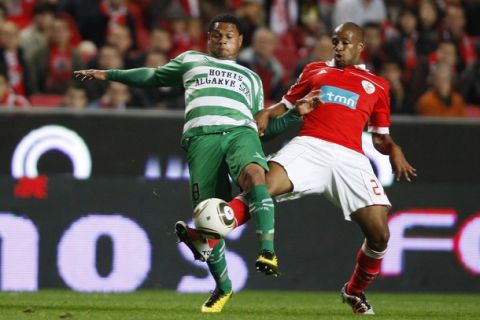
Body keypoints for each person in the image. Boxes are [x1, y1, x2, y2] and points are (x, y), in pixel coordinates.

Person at [179, 22, 417, 315]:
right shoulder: (315, 70)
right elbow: (285, 105)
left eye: (345, 43)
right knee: (261, 185)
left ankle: (354, 291)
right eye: (335, 42)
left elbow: (380, 136)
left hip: (350, 158)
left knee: (380, 235)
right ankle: (207, 236)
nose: (339, 47)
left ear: (359, 47)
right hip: (310, 146)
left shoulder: (378, 86)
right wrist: (266, 113)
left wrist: (394, 149)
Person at [74, 14, 300, 313]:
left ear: (240, 40)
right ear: (209, 38)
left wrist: (295, 115)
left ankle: (267, 250)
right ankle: (223, 286)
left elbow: (262, 128)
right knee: (207, 219)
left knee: (256, 174)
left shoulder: (251, 78)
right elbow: (152, 77)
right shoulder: (191, 60)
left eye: (229, 36)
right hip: (201, 140)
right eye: (217, 35)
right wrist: (110, 74)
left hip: (240, 133)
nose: (222, 40)